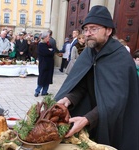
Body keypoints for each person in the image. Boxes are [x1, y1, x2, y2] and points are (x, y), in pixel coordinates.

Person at [55, 5, 139, 150]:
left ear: (108, 30)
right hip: (92, 116)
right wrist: (68, 99)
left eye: (94, 29)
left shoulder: (121, 58)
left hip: (114, 121)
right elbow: (82, 86)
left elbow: (116, 100)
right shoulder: (88, 53)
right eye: (86, 29)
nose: (88, 33)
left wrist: (87, 119)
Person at [34, 31, 55, 97]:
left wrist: (50, 51)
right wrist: (50, 51)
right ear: (45, 37)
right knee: (42, 78)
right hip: (44, 64)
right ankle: (37, 91)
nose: (49, 38)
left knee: (47, 78)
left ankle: (45, 91)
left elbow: (53, 51)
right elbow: (47, 53)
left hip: (49, 64)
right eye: (48, 37)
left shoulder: (48, 44)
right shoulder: (40, 45)